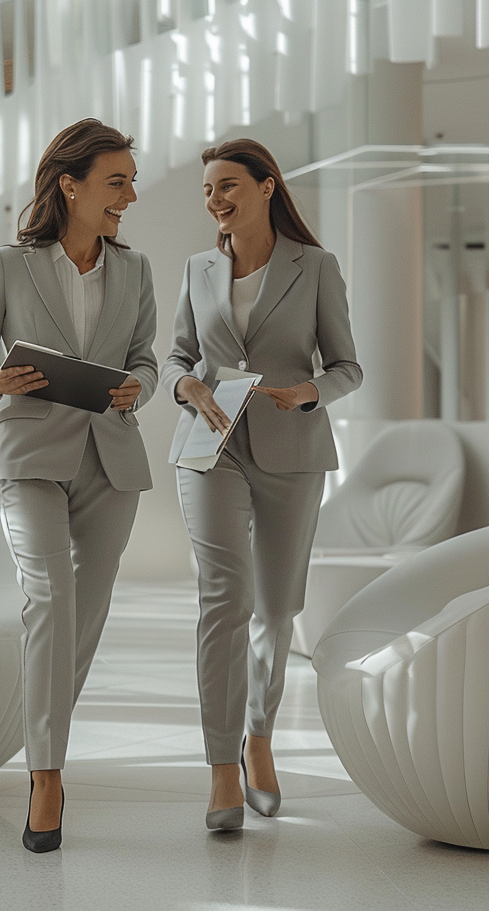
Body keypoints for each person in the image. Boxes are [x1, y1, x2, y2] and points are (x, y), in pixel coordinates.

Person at [0, 119, 158, 854]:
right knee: (48, 599)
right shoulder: (10, 266)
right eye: (117, 181)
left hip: (112, 460)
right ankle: (46, 775)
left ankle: (37, 732)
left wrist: (142, 385)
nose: (129, 194)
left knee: (84, 616)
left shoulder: (134, 271)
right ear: (70, 185)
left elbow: (146, 358)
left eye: (130, 180)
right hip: (30, 455)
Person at [161, 139, 362, 830]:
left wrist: (310, 391)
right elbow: (177, 357)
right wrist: (184, 382)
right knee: (223, 599)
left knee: (275, 610)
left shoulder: (316, 267)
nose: (215, 199)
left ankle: (259, 739)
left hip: (291, 447)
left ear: (267, 187)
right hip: (210, 447)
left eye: (227, 186)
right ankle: (222, 769)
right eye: (208, 189)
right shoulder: (197, 269)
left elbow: (347, 366)